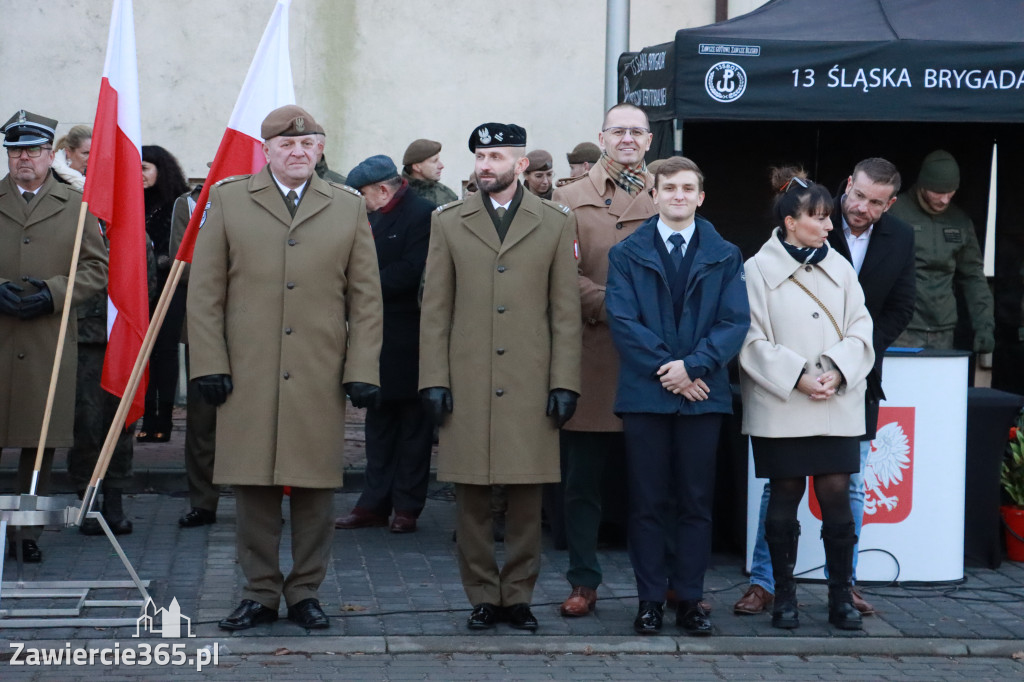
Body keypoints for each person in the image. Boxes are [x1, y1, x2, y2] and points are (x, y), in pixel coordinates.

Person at [188, 105, 383, 631]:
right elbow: (205, 291)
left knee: (316, 487)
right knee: (253, 487)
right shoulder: (230, 199)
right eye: (287, 145)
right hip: (247, 370)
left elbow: (366, 298)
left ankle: (305, 593)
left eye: (308, 144)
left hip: (319, 370)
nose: (298, 152)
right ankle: (258, 592)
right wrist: (208, 361)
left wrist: (363, 366)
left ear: (320, 150)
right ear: (267, 150)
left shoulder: (346, 207)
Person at [735, 160, 916, 618]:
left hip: (838, 398)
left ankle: (840, 597)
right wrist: (797, 376)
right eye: (820, 217)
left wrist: (837, 369)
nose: (831, 223)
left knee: (839, 492)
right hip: (784, 401)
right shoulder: (756, 268)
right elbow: (749, 338)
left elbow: (863, 325)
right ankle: (782, 596)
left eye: (828, 216)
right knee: (784, 493)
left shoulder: (841, 265)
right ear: (791, 222)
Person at [419, 122, 581, 632]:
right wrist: (433, 378)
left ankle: (519, 596)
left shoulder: (555, 221)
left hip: (531, 381)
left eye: (495, 156)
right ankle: (482, 596)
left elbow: (564, 312)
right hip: (466, 378)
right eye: (479, 156)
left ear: (521, 164)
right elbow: (435, 308)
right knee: (469, 497)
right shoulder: (448, 221)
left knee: (527, 498)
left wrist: (564, 381)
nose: (485, 165)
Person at [605, 156, 749, 636]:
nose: (679, 195)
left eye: (688, 188)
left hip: (702, 397)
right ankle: (649, 601)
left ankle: (689, 600)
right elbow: (623, 322)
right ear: (655, 193)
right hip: (647, 396)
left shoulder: (726, 254)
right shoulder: (626, 253)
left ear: (701, 196)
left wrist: (694, 367)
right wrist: (673, 371)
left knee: (694, 502)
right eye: (670, 188)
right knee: (646, 503)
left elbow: (734, 322)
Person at [550, 102, 657, 619]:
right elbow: (558, 277)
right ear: (602, 137)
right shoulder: (566, 199)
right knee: (582, 485)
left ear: (650, 140)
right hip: (591, 356)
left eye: (637, 132)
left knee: (652, 486)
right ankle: (583, 580)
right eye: (619, 131)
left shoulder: (671, 195)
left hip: (653, 360)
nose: (628, 139)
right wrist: (617, 306)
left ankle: (658, 585)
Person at [1, 110, 107, 562]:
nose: (24, 158)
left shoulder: (76, 206)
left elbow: (96, 269)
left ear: (50, 155)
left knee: (37, 443)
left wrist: (53, 293)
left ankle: (28, 533)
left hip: (47, 336)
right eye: (15, 151)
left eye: (33, 150)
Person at [334, 155, 434, 533]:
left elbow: (412, 270)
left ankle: (407, 506)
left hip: (410, 336)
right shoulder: (368, 215)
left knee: (413, 426)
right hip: (373, 336)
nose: (357, 200)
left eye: (360, 193)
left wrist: (359, 286)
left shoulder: (423, 214)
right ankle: (373, 503)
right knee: (378, 424)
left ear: (381, 189)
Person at [889, 150, 994, 354]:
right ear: (923, 185)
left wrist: (985, 326)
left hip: (944, 329)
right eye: (938, 192)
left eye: (951, 192)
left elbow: (973, 276)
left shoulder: (959, 220)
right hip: (901, 326)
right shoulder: (894, 212)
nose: (945, 200)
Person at [168, 182, 220, 528]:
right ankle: (203, 501)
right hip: (203, 323)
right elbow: (181, 263)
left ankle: (262, 500)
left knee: (257, 420)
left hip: (260, 327)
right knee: (203, 421)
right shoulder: (189, 204)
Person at [137, 145, 189, 443]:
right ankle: (145, 416)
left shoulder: (176, 204)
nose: (140, 175)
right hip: (140, 288)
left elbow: (180, 249)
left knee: (165, 354)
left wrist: (159, 261)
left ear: (161, 170)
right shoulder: (132, 203)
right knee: (143, 356)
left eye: (145, 168)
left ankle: (163, 421)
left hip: (170, 287)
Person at [402, 138, 458, 207]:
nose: (441, 166)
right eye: (435, 161)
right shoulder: (395, 194)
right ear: (417, 167)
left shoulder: (448, 195)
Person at [52, 125, 92, 190]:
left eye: (93, 153)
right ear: (68, 152)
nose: (91, 159)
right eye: (85, 153)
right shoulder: (50, 178)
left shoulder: (100, 178)